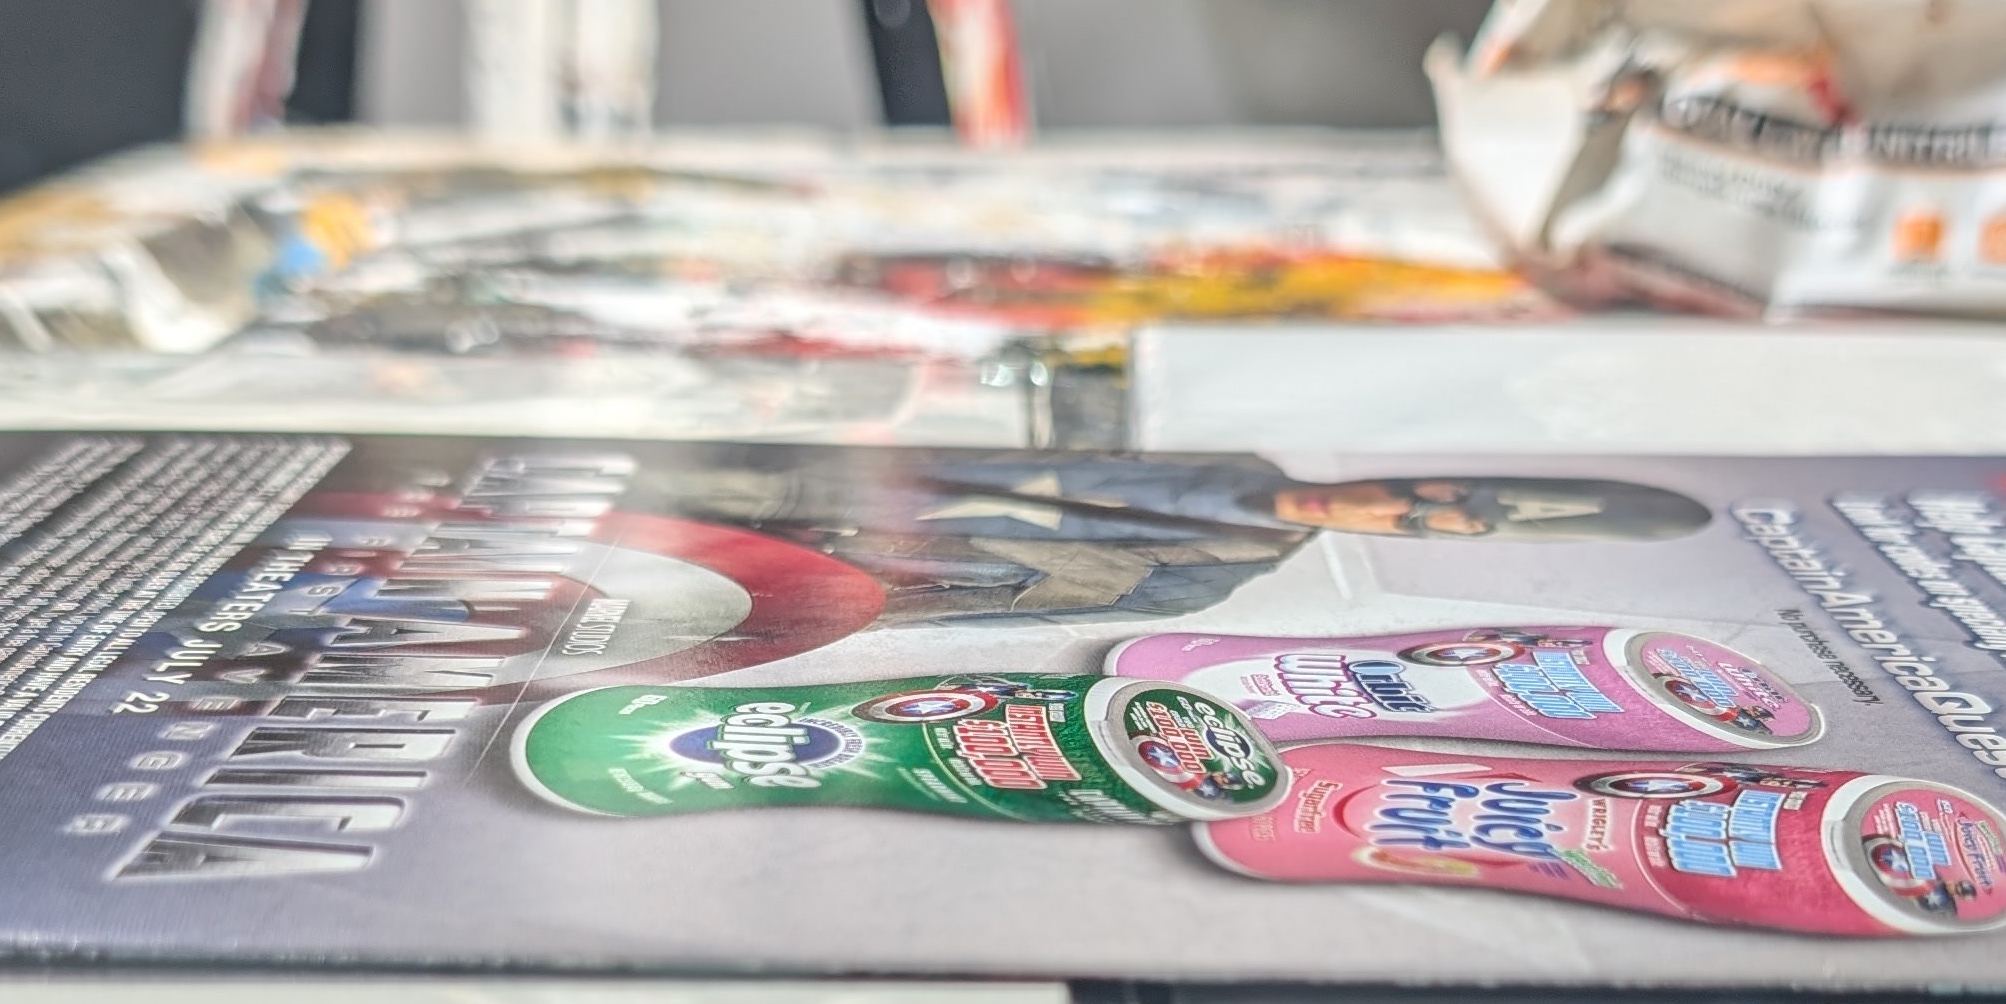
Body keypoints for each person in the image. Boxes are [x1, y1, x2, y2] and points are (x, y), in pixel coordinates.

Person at [647, 449, 1715, 620]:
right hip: (773, 476)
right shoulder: (1222, 452)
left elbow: (965, 607)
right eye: (1428, 490)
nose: (1392, 507)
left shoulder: (1200, 586)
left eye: (1430, 525)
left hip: (797, 567)